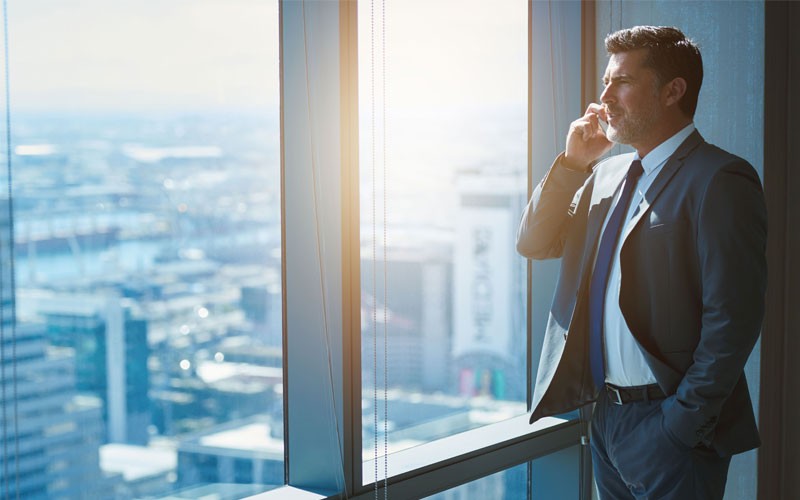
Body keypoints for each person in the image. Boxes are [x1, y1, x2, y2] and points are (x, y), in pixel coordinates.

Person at [516, 26, 766, 499]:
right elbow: (535, 242)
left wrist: (679, 426)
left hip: (671, 424)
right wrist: (572, 165)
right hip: (606, 418)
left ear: (673, 91)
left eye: (622, 82)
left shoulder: (720, 178)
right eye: (605, 82)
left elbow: (732, 321)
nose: (605, 97)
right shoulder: (606, 174)